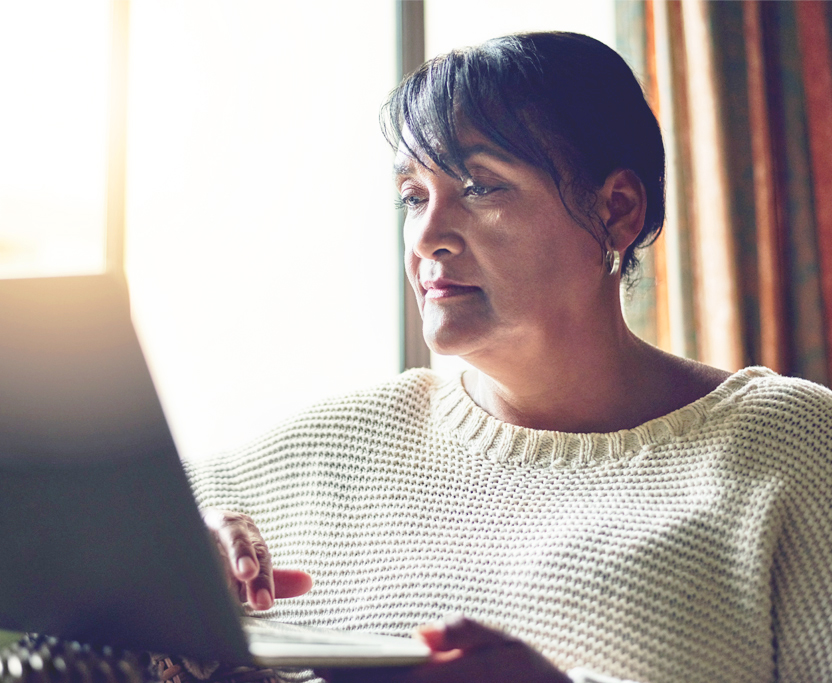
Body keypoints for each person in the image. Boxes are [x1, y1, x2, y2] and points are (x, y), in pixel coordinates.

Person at [188, 32, 832, 683]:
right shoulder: (332, 448)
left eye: (479, 186)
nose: (428, 237)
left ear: (617, 210)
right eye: (413, 195)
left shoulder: (792, 446)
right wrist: (173, 550)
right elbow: (95, 543)